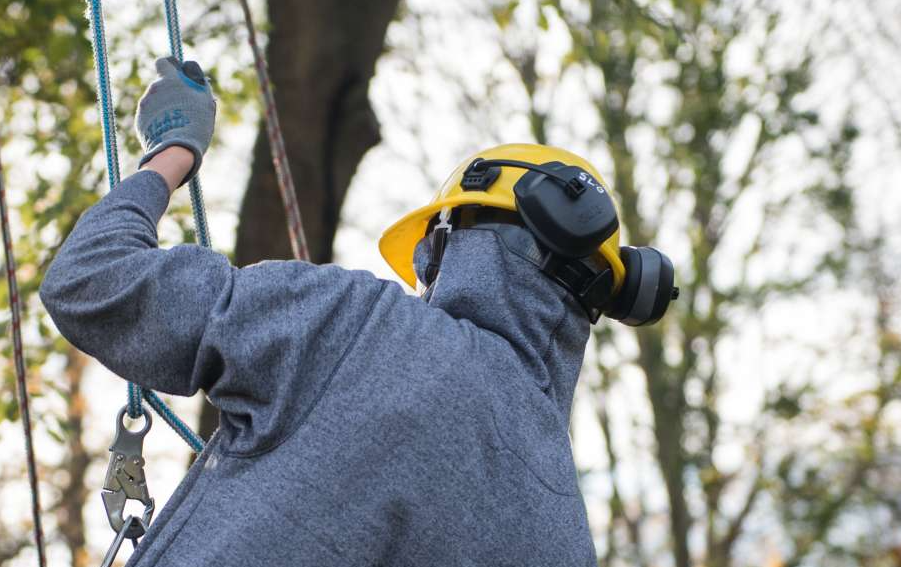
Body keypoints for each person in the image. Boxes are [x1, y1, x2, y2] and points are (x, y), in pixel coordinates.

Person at [41, 57, 675, 566]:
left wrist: (172, 152)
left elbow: (92, 281)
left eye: (432, 250)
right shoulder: (564, 528)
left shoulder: (367, 330)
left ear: (456, 243)